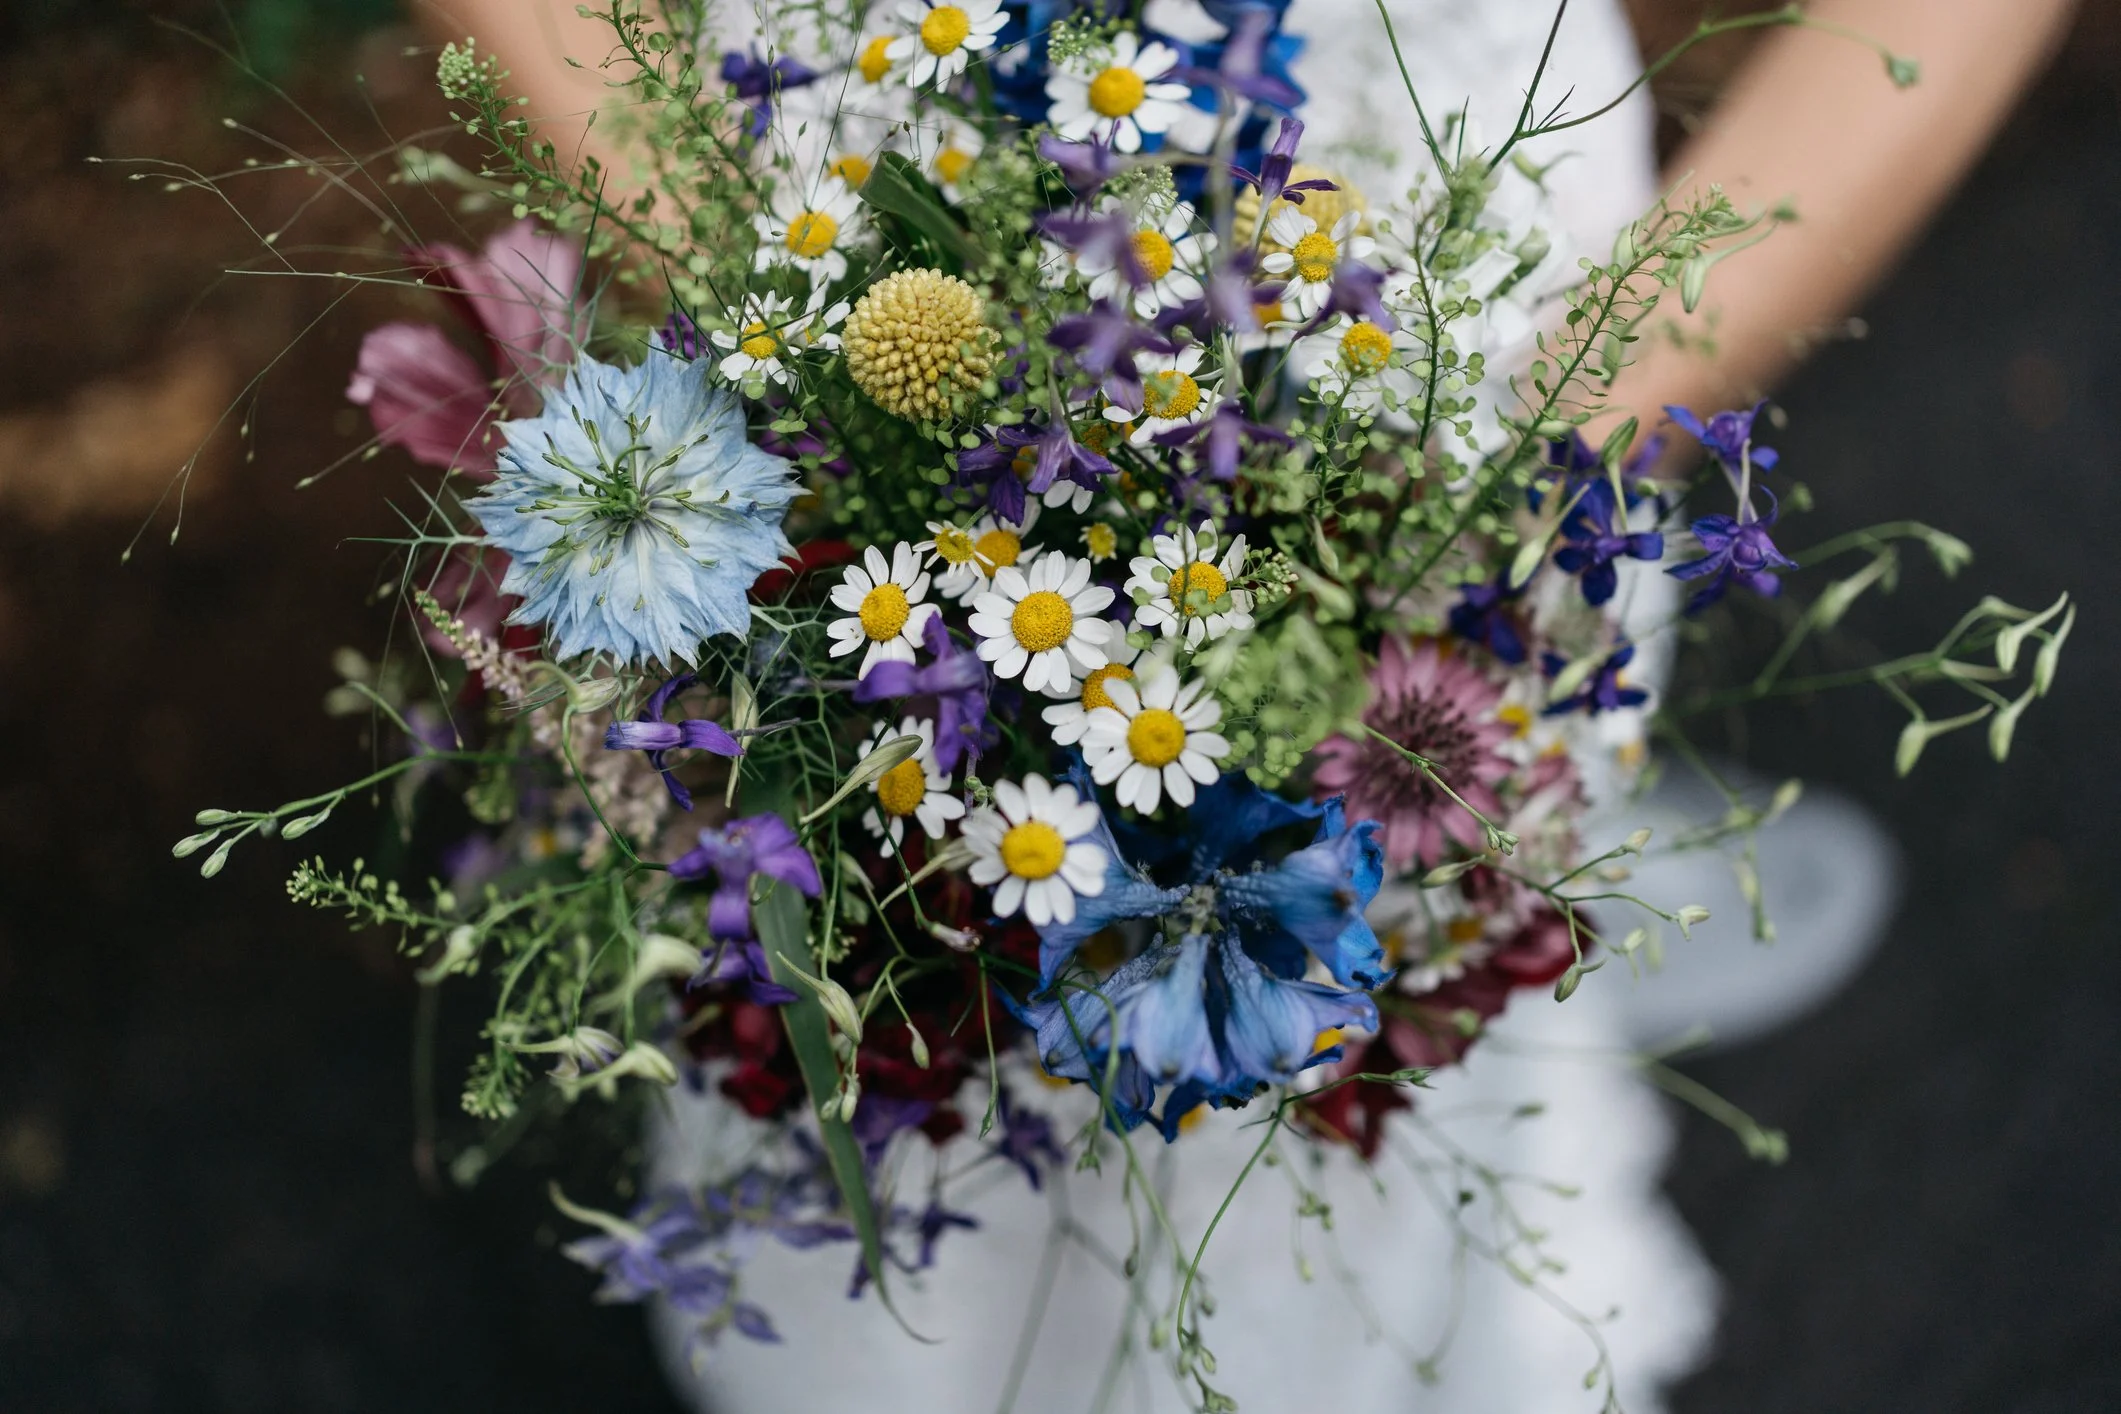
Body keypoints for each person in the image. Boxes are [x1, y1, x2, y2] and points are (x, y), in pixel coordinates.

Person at [408, 1, 2076, 1409]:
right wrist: (780, 332)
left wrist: (1586, 411)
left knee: (1331, 1078)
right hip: (827, 233)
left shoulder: (1493, 449)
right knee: (890, 1032)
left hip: (1457, 353)